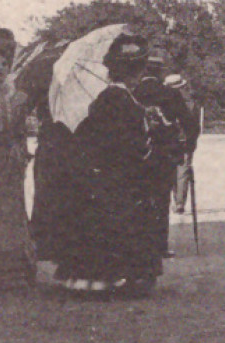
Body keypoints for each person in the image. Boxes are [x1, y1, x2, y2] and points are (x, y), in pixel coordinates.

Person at [53, 32, 165, 298]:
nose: (138, 77)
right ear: (132, 74)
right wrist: (149, 132)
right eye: (137, 71)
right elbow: (130, 144)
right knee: (124, 222)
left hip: (102, 175)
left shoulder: (108, 99)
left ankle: (95, 279)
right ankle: (123, 279)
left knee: (101, 223)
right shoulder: (122, 100)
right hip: (121, 175)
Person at [134, 49, 191, 258]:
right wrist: (188, 147)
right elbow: (188, 122)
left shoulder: (133, 92)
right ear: (159, 72)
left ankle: (139, 244)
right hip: (163, 154)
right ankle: (159, 246)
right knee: (160, 200)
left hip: (138, 155)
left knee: (139, 199)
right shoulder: (169, 93)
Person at [164, 74, 200, 219]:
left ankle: (177, 200)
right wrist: (192, 142)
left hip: (171, 141)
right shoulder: (191, 103)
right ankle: (179, 203)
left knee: (173, 170)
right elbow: (195, 126)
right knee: (183, 170)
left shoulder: (164, 102)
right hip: (185, 141)